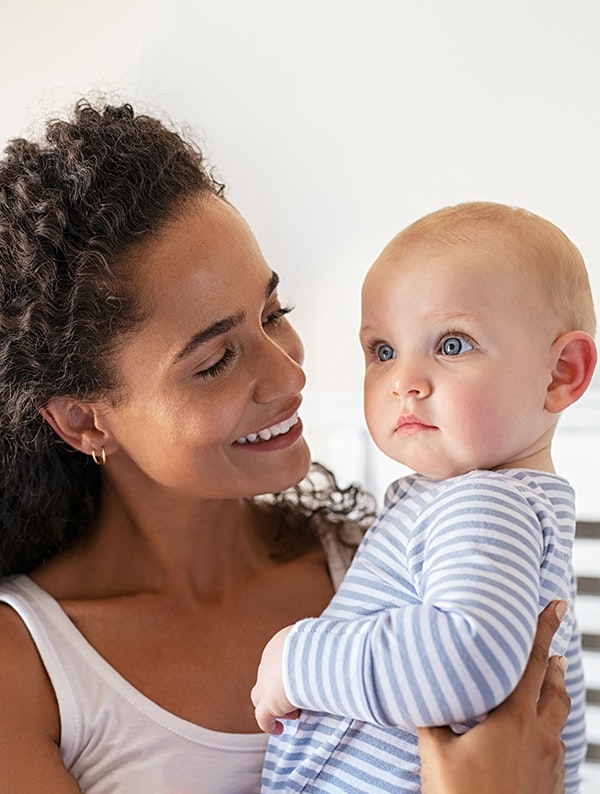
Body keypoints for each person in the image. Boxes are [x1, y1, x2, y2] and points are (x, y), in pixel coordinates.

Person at [0, 99, 571, 794]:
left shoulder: (394, 568)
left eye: (274, 314)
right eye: (215, 361)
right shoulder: (26, 668)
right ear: (84, 421)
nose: (290, 375)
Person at [252, 202, 597, 793]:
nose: (403, 381)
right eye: (383, 350)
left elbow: (467, 661)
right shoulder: (495, 511)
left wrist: (297, 659)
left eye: (453, 344)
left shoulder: (486, 505)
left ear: (561, 372)